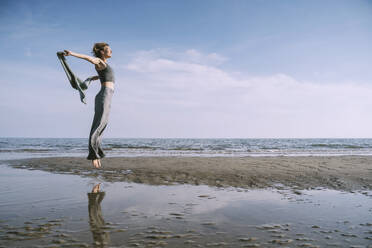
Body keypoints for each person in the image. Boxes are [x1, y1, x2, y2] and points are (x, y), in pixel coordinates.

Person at [64, 43, 115, 169]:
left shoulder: (104, 65)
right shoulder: (99, 61)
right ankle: (93, 155)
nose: (111, 51)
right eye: (109, 50)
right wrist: (72, 53)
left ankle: (96, 153)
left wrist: (92, 78)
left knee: (102, 125)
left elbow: (102, 75)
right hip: (104, 95)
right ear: (102, 52)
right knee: (98, 125)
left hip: (107, 96)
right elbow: (88, 58)